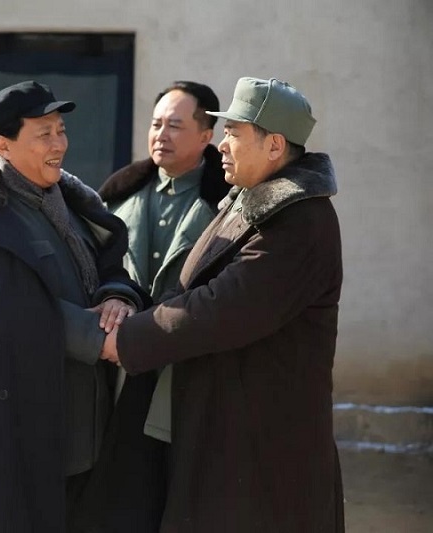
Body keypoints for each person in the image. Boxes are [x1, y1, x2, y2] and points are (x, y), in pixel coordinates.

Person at [102, 77, 345, 532]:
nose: (222, 146)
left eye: (233, 133)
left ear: (274, 145)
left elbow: (221, 308)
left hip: (264, 448)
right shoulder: (246, 199)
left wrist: (127, 339)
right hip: (227, 430)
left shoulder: (300, 221)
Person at [0, 80, 149, 532]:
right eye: (44, 134)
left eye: (61, 130)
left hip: (84, 439)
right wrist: (100, 339)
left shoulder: (74, 206)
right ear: (3, 145)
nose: (59, 144)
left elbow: (110, 267)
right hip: (9, 438)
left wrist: (117, 297)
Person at [96, 82, 230, 509]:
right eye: (156, 124)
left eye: (175, 125)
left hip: (186, 372)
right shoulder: (117, 196)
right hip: (117, 368)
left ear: (206, 135)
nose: (161, 135)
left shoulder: (227, 204)